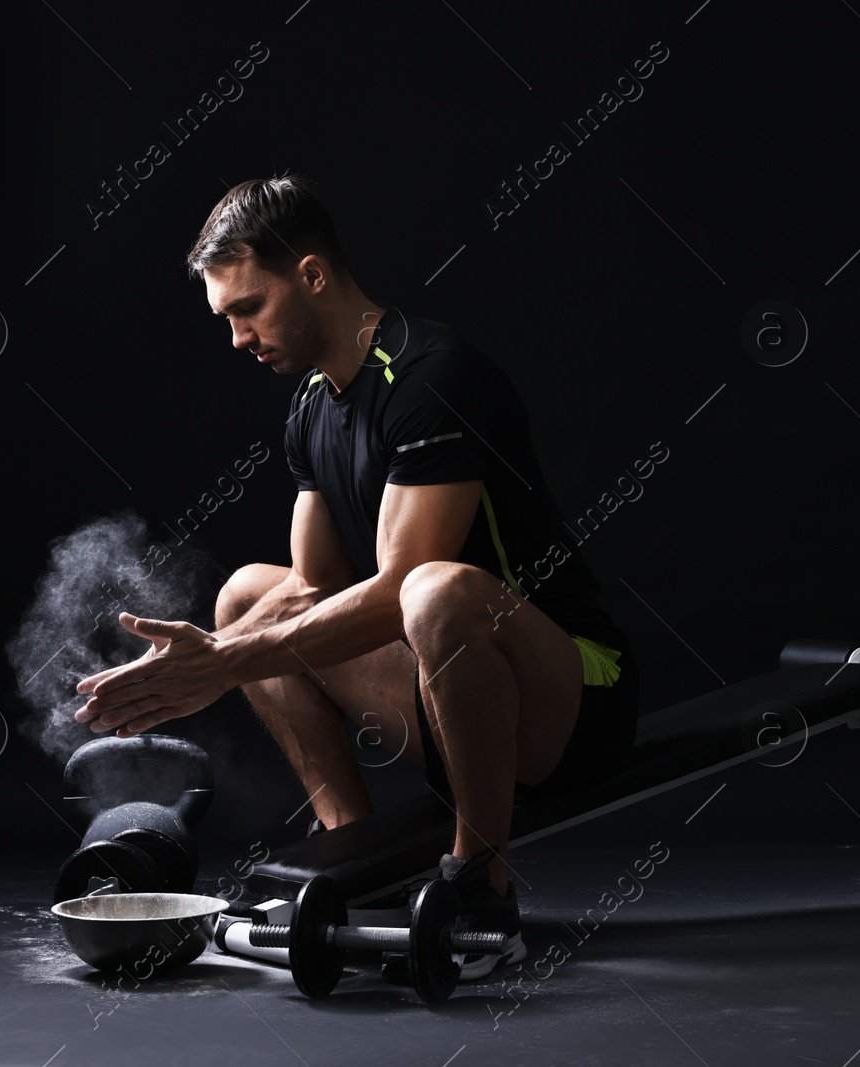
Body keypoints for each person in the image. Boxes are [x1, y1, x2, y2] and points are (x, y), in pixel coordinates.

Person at [73, 175, 640, 977]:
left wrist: (229, 662)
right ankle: (357, 857)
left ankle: (483, 887)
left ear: (311, 275)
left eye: (248, 308)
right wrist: (201, 654)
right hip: (451, 698)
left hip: (572, 705)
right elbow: (310, 584)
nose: (237, 338)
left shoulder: (433, 377)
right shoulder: (313, 404)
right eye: (226, 317)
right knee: (246, 594)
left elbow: (403, 583)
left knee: (434, 589)